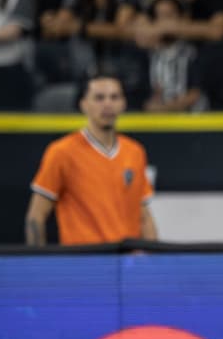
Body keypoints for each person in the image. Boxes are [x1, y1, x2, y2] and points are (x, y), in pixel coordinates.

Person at [25, 73, 158, 245]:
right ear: (83, 104)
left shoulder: (134, 151)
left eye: (114, 97)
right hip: (85, 262)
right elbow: (36, 216)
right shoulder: (62, 152)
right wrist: (37, 266)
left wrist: (153, 262)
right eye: (99, 98)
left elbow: (144, 216)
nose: (108, 104)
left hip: (126, 261)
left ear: (123, 103)